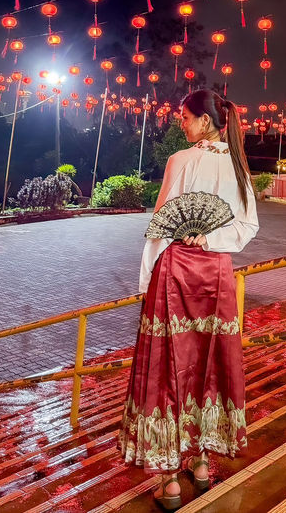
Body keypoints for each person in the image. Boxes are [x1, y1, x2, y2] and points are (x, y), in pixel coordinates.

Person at [118, 89, 259, 510]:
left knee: (167, 368)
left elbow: (159, 230)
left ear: (203, 120)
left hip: (175, 272)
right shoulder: (237, 166)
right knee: (207, 364)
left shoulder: (180, 162)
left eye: (184, 117)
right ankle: (200, 463)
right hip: (216, 275)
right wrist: (212, 237)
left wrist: (145, 283)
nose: (181, 123)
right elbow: (247, 226)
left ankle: (170, 481)